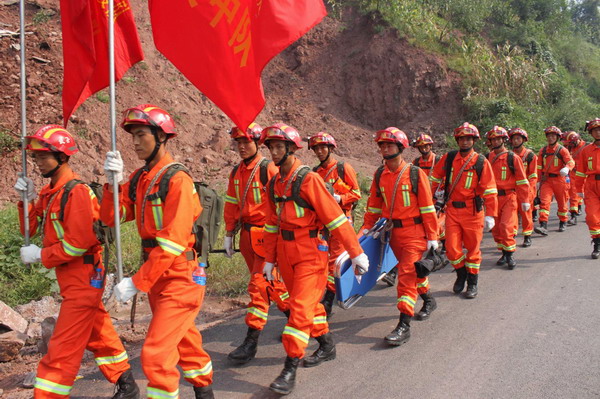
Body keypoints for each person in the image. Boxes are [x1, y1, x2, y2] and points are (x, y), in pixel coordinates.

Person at [15, 125, 139, 399]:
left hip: (84, 276)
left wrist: (41, 255)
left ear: (61, 156)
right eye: (34, 157)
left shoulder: (77, 192)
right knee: (98, 332)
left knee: (62, 348)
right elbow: (31, 227)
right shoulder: (52, 193)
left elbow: (78, 242)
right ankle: (127, 383)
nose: (36, 163)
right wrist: (27, 200)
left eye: (42, 157)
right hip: (71, 278)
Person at [101, 105, 214, 399]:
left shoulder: (177, 180)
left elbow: (173, 243)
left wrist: (136, 282)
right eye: (133, 136)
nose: (135, 142)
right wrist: (112, 184)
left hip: (180, 278)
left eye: (141, 135)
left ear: (161, 137)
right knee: (186, 342)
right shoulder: (140, 178)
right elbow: (111, 217)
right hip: (161, 278)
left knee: (155, 354)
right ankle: (206, 393)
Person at [259, 123, 369, 395]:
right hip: (285, 254)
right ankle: (327, 344)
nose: (273, 152)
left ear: (291, 149)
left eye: (278, 147)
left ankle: (289, 368)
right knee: (309, 307)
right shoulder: (275, 182)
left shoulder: (308, 180)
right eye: (270, 147)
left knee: (298, 309)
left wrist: (356, 254)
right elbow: (272, 224)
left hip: (311, 253)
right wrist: (269, 259)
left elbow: (335, 218)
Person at [360, 127, 439, 345]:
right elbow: (374, 206)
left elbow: (427, 208)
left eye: (389, 145)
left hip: (414, 233)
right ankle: (429, 300)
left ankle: (404, 325)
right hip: (392, 233)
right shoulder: (380, 174)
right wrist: (366, 228)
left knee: (405, 276)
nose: (385, 148)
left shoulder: (415, 174)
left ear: (400, 147)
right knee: (414, 273)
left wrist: (432, 236)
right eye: (382, 145)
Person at [223, 123, 290, 365]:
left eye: (246, 142)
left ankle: (250, 343)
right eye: (238, 143)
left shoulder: (268, 168)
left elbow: (283, 203)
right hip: (247, 238)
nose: (241, 147)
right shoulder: (237, 171)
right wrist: (229, 233)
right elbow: (232, 203)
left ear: (256, 143)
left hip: (266, 236)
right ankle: (307, 326)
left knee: (258, 288)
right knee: (274, 288)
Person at [430, 123, 498, 299]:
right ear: (457, 140)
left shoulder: (481, 162)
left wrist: (491, 215)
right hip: (452, 210)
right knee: (451, 249)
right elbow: (435, 177)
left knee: (473, 249)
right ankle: (461, 274)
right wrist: (431, 197)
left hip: (473, 213)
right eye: (462, 138)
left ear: (474, 140)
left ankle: (472, 283)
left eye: (469, 138)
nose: (465, 141)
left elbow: (490, 189)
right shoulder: (449, 158)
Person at [308, 131, 361, 318]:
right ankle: (325, 294)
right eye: (317, 148)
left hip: (341, 220)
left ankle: (328, 301)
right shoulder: (314, 173)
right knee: (322, 260)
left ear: (331, 148)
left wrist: (340, 198)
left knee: (334, 262)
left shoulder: (342, 168)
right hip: (322, 224)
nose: (320, 151)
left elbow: (356, 193)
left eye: (323, 147)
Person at [408, 133, 442, 319]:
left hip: (434, 200)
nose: (424, 148)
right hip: (419, 203)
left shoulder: (438, 161)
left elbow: (443, 178)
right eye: (421, 146)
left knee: (413, 265)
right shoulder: (415, 163)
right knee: (411, 265)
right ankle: (427, 298)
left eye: (426, 145)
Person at [485, 126, 530, 269]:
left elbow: (522, 181)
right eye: (493, 139)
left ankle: (510, 255)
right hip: (492, 198)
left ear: (504, 140)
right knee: (496, 229)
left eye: (498, 138)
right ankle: (503, 252)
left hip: (509, 197)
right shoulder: (487, 158)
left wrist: (525, 201)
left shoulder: (513, 158)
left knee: (506, 226)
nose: (496, 141)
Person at [534, 126, 574, 235]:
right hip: (547, 180)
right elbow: (539, 167)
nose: (551, 138)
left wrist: (567, 168)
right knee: (544, 202)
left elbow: (571, 162)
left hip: (560, 180)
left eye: (553, 136)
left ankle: (563, 221)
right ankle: (543, 224)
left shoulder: (562, 150)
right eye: (549, 136)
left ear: (557, 137)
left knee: (562, 202)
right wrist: (538, 180)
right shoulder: (543, 151)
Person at [572, 118, 600, 259]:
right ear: (591, 133)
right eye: (595, 130)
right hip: (591, 186)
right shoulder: (586, 150)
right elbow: (581, 172)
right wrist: (578, 189)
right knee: (592, 217)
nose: (598, 132)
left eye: (599, 129)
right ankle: (597, 244)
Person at [509, 127, 538, 247]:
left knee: (526, 213)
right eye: (514, 139)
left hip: (526, 190)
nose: (516, 141)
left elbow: (533, 176)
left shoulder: (530, 155)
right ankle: (512, 235)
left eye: (518, 138)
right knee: (512, 213)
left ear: (523, 140)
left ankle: (527, 235)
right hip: (512, 190)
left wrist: (529, 192)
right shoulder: (509, 155)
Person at [564, 131, 586, 225]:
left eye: (572, 143)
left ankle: (593, 213)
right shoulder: (569, 147)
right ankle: (574, 215)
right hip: (574, 173)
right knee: (573, 193)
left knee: (588, 194)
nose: (570, 146)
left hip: (586, 174)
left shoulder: (586, 147)